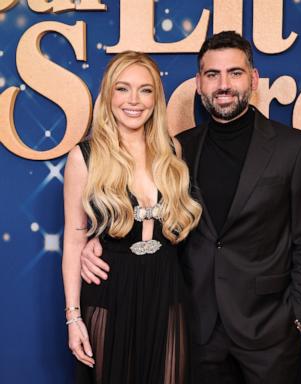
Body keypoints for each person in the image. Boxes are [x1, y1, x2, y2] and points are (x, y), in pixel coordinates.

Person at [80, 32, 301, 384]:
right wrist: (94, 242)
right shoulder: (178, 152)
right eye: (212, 75)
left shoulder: (294, 148)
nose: (223, 85)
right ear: (199, 84)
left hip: (268, 330)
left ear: (253, 80)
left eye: (235, 73)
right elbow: (152, 222)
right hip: (194, 327)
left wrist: (298, 315)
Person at [62, 51, 202, 384]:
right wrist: (73, 318)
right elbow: (72, 240)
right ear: (108, 95)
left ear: (157, 98)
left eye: (145, 89)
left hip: (168, 290)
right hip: (111, 290)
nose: (134, 100)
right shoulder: (85, 157)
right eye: (123, 89)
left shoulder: (173, 152)